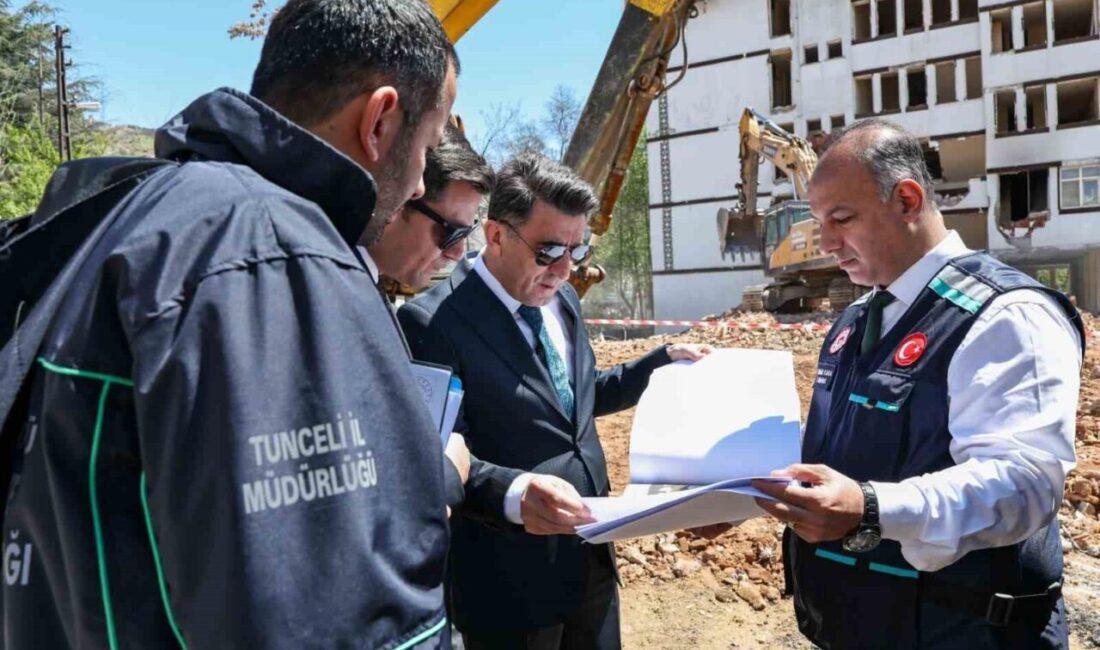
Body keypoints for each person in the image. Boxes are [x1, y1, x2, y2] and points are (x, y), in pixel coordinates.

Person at [0, 1, 461, 647]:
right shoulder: (269, 247)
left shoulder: (131, 216)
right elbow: (331, 624)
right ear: (382, 119)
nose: (419, 182)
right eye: (430, 144)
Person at [752, 119, 1084, 649]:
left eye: (841, 218)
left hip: (964, 634)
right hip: (862, 626)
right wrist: (738, 496)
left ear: (907, 200)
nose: (827, 242)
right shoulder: (856, 320)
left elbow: (1023, 485)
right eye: (818, 222)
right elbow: (846, 451)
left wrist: (872, 508)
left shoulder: (1005, 316)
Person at [398, 153, 712, 650]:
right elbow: (432, 457)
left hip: (592, 556)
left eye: (578, 249)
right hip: (507, 582)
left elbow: (575, 402)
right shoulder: (431, 323)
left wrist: (659, 363)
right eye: (548, 250)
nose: (565, 270)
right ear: (497, 235)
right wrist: (513, 493)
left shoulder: (560, 300)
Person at [367, 121, 493, 504]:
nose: (458, 253)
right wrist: (447, 473)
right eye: (450, 233)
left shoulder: (370, 295)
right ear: (401, 197)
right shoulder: (336, 304)